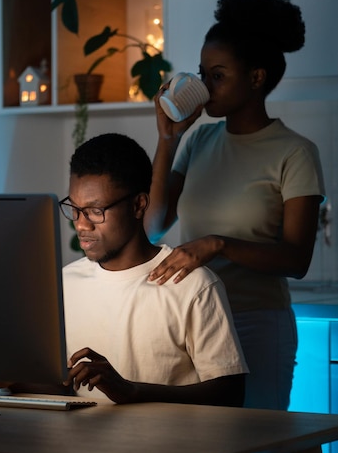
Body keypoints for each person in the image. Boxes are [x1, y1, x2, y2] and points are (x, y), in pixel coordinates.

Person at [144, 0, 325, 413]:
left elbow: (296, 260)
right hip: (195, 319)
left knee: (257, 449)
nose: (204, 86)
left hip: (258, 323)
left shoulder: (294, 152)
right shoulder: (199, 139)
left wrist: (217, 244)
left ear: (256, 78)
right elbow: (153, 225)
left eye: (217, 76)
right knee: (203, 447)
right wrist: (167, 140)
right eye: (202, 73)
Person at [59, 132, 248, 405]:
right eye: (75, 209)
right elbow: (66, 386)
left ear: (138, 205)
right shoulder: (64, 284)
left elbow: (231, 395)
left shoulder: (192, 285)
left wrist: (132, 392)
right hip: (80, 446)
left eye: (95, 211)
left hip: (168, 447)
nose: (81, 225)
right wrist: (12, 382)